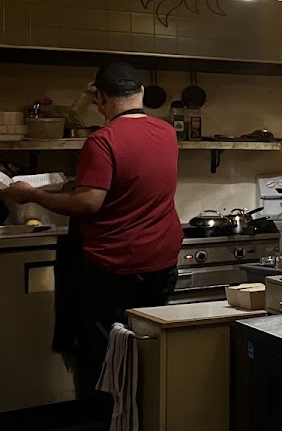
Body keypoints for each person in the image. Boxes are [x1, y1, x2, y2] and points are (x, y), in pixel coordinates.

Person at [2, 62, 182, 405]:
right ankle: (149, 420)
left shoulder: (103, 140)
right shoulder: (166, 132)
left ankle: (112, 425)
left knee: (108, 354)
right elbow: (133, 183)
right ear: (141, 92)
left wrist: (32, 195)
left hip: (116, 266)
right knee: (148, 344)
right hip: (161, 263)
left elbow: (88, 203)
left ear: (100, 98)